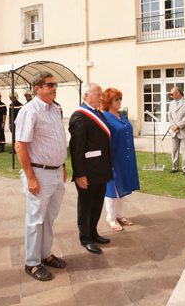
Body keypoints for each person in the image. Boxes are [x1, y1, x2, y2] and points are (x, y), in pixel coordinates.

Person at [14, 71, 68, 282]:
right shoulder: (30, 111)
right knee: (35, 220)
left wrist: (61, 165)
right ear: (38, 88)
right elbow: (21, 146)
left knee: (49, 218)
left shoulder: (55, 109)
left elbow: (57, 139)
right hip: (39, 173)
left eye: (55, 84)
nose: (54, 88)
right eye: (50, 84)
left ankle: (45, 254)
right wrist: (31, 178)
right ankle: (32, 263)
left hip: (56, 171)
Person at [68, 83, 113, 254]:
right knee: (86, 206)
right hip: (87, 171)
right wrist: (79, 174)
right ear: (86, 96)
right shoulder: (79, 116)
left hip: (101, 169)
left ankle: (93, 233)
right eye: (98, 94)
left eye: (101, 94)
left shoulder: (98, 114)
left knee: (97, 204)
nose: (101, 97)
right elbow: (76, 149)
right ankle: (85, 237)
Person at [101, 88, 140, 231]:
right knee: (112, 189)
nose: (119, 102)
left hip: (126, 157)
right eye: (116, 99)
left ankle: (119, 214)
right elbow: (104, 141)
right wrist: (107, 161)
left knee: (123, 186)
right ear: (108, 101)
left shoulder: (121, 116)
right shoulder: (105, 117)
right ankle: (110, 217)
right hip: (113, 158)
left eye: (120, 99)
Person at [168, 86, 185, 176]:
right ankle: (175, 167)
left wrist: (178, 126)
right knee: (174, 150)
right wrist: (173, 126)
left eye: (172, 94)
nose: (170, 96)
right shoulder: (171, 104)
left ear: (178, 93)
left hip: (184, 131)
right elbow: (169, 116)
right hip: (174, 131)